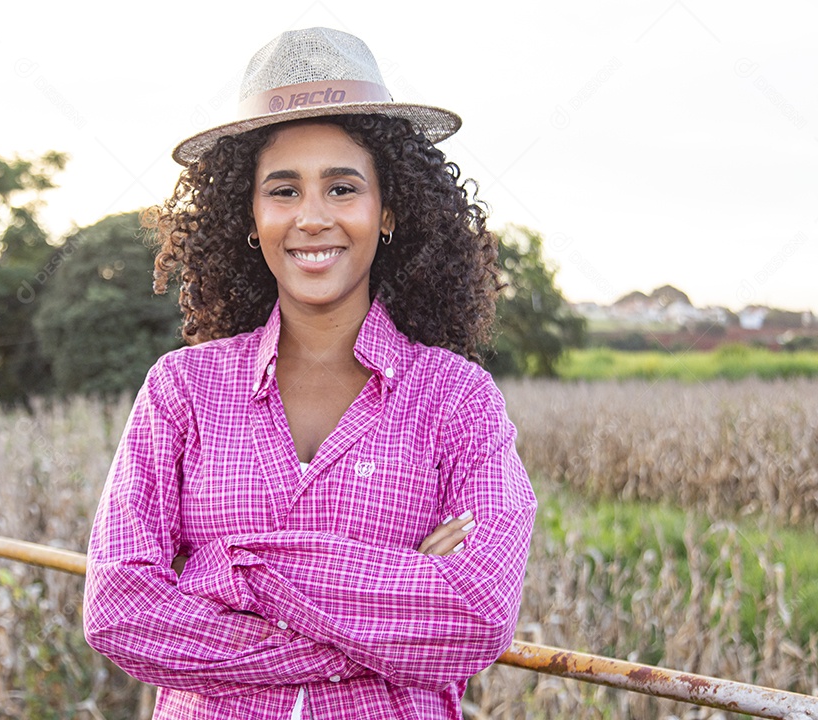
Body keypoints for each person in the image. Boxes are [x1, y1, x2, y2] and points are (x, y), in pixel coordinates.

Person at [83, 27, 536, 720]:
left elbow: (476, 615)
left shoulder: (457, 399)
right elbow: (120, 613)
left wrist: (229, 569)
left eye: (343, 188)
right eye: (284, 190)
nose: (313, 218)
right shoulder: (182, 390)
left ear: (387, 210)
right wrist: (394, 598)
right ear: (250, 215)